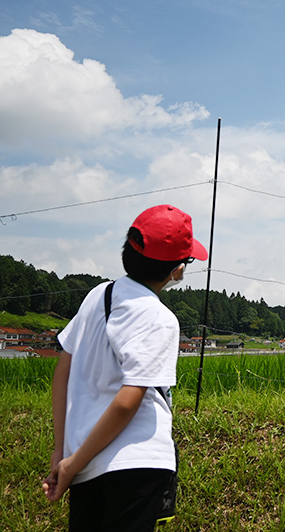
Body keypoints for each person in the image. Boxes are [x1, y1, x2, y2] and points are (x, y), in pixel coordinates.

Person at [42, 204, 207, 531]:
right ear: (177, 268)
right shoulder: (160, 318)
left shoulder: (98, 295)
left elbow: (62, 372)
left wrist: (63, 453)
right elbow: (128, 400)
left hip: (85, 464)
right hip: (138, 466)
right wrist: (71, 463)